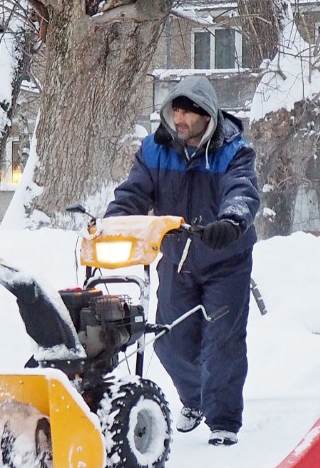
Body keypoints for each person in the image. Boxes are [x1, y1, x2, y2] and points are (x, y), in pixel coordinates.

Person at [104, 75, 260, 446]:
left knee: (222, 342)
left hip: (226, 257)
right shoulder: (155, 150)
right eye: (175, 110)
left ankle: (222, 420)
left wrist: (231, 221)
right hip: (176, 259)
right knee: (169, 341)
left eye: (188, 112)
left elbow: (241, 190)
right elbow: (133, 193)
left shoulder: (234, 150)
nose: (180, 118)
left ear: (206, 116)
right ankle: (195, 400)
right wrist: (114, 222)